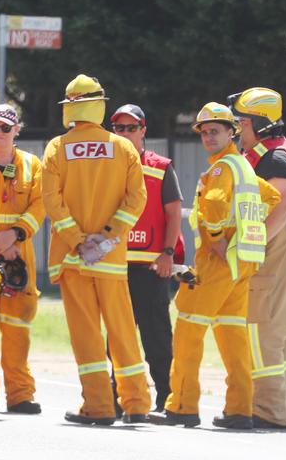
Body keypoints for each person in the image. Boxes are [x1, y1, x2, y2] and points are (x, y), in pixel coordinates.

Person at [159, 102, 281, 429]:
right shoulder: (243, 166)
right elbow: (271, 198)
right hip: (241, 265)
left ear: (232, 132)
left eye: (216, 131)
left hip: (216, 264)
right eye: (204, 132)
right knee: (232, 336)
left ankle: (182, 405)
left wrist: (216, 236)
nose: (209, 137)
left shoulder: (220, 169)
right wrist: (244, 233)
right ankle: (239, 409)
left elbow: (213, 203)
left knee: (188, 329)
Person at [42, 74, 151, 425]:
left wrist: (77, 240)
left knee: (87, 336)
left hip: (74, 259)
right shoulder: (124, 148)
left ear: (70, 108)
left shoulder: (57, 148)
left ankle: (99, 406)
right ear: (100, 106)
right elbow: (137, 199)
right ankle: (136, 404)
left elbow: (51, 202)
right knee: (122, 331)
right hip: (111, 259)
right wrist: (107, 236)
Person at [229, 87, 286, 428]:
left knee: (262, 326)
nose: (238, 130)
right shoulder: (271, 152)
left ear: (260, 124)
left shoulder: (273, 157)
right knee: (279, 332)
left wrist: (253, 243)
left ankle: (269, 411)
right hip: (285, 247)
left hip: (276, 247)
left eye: (241, 123)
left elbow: (285, 202)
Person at [109, 104, 184, 413]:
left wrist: (168, 253)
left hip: (151, 266)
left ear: (143, 130)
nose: (125, 133)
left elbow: (173, 212)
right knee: (116, 338)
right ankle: (116, 399)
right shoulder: (107, 165)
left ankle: (168, 398)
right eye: (119, 129)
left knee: (157, 337)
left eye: (131, 128)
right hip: (114, 266)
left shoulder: (160, 166)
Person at [0, 104, 45, 414]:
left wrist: (14, 234)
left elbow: (40, 205)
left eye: (6, 127)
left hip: (18, 254)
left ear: (17, 130)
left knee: (17, 329)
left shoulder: (32, 165)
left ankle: (20, 395)